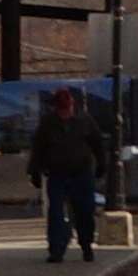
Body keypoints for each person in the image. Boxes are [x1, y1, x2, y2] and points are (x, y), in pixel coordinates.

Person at [27, 87, 108, 262]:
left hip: (81, 173)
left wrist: (102, 164)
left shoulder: (85, 121)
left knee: (84, 211)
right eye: (61, 110)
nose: (64, 113)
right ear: (56, 108)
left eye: (67, 109)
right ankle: (56, 250)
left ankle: (86, 245)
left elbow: (97, 143)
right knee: (56, 212)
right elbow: (39, 148)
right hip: (57, 174)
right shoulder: (48, 123)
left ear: (72, 106)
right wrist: (34, 171)